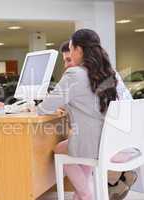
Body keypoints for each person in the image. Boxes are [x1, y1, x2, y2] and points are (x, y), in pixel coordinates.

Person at [37, 29, 132, 199]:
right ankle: (79, 195)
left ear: (79, 50)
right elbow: (91, 104)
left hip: (94, 144)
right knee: (78, 144)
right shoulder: (108, 72)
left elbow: (44, 108)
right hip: (114, 141)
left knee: (60, 149)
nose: (70, 54)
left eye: (71, 49)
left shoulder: (74, 74)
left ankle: (86, 195)